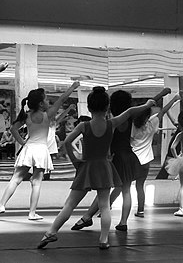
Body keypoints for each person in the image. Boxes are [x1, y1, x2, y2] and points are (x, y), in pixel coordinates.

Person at [37, 87, 156, 250]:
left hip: (87, 167)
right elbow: (129, 112)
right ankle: (104, 239)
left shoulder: (84, 126)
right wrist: (147, 104)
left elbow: (67, 143)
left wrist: (76, 162)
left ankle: (51, 232)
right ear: (107, 107)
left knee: (70, 204)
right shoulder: (111, 124)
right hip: (104, 168)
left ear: (89, 107)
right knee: (104, 205)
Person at [70, 88, 172, 232]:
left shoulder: (112, 121)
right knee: (126, 191)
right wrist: (163, 94)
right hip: (129, 157)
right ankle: (123, 222)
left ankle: (87, 217)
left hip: (114, 158)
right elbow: (147, 105)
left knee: (103, 190)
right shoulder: (130, 118)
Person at [0, 82, 80, 220]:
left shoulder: (27, 115)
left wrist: (21, 141)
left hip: (29, 148)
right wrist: (72, 87)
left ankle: (1, 205)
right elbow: (62, 99)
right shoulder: (47, 115)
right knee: (36, 182)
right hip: (41, 150)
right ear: (41, 104)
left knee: (16, 178)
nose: (47, 101)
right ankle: (32, 213)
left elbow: (13, 129)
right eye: (45, 99)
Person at [130, 92, 181, 221]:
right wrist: (174, 99)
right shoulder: (152, 122)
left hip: (132, 159)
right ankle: (140, 210)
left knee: (124, 187)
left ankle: (106, 208)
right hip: (145, 160)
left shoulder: (132, 125)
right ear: (148, 115)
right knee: (140, 186)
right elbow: (164, 110)